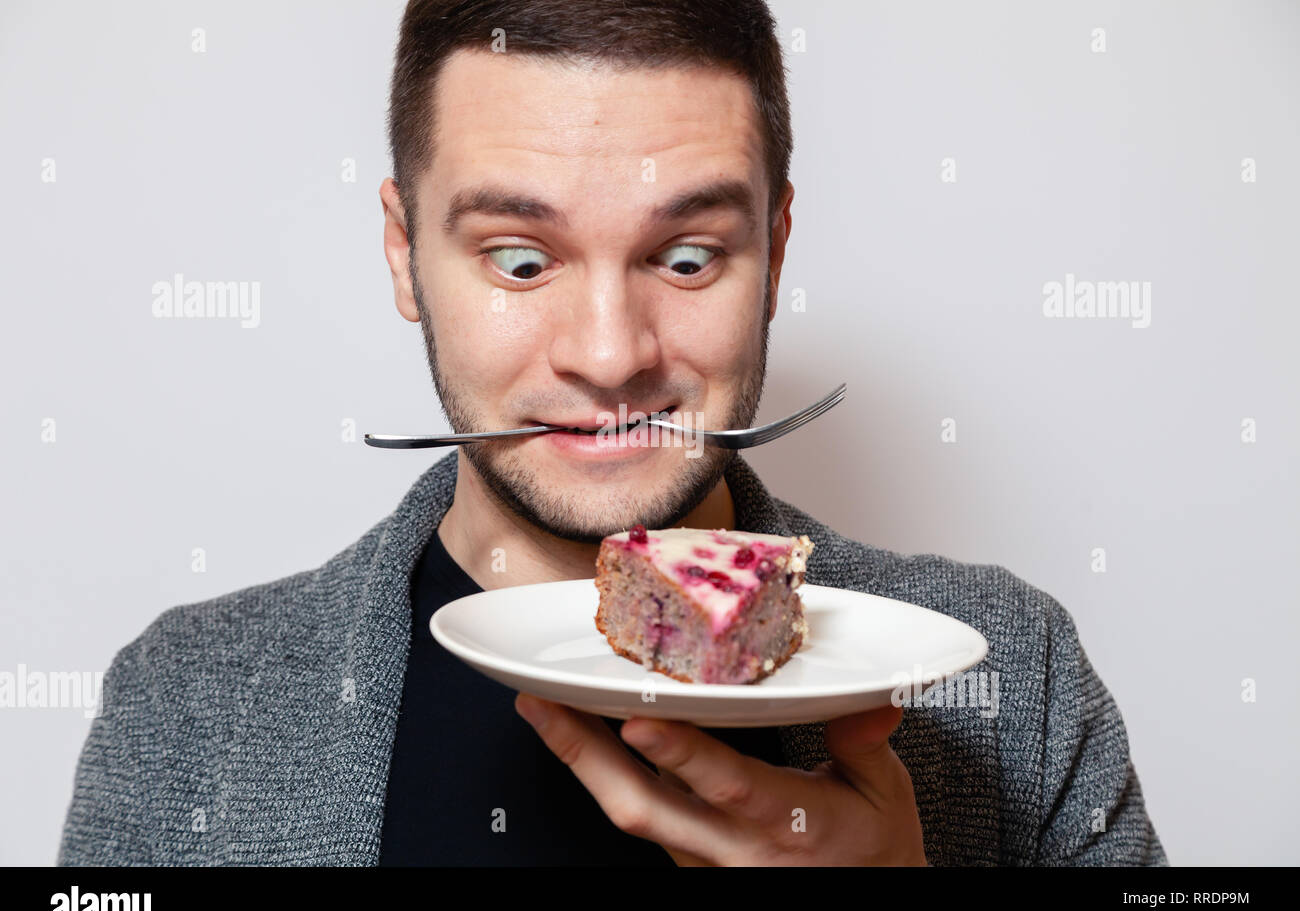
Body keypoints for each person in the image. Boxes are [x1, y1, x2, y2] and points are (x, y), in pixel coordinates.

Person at [58, 0, 1165, 866]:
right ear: (403, 253)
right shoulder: (189, 699)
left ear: (774, 250)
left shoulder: (1015, 672)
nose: (607, 353)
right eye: (521, 258)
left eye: (685, 256)